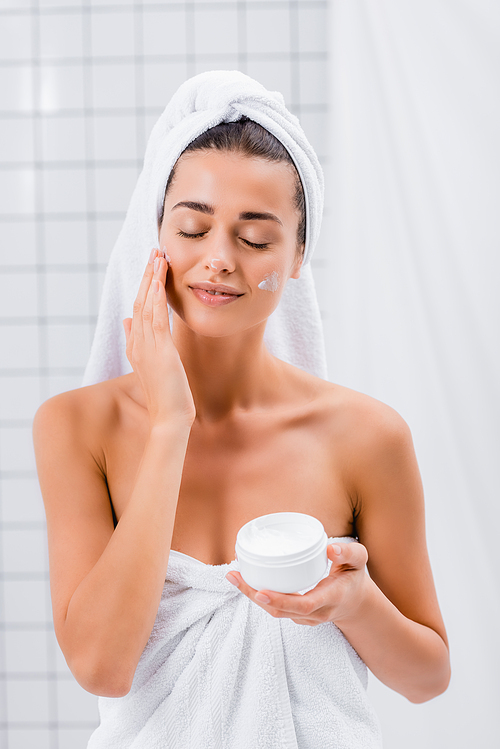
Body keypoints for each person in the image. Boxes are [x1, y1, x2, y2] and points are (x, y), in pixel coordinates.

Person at [32, 71, 450, 748]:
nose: (219, 260)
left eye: (256, 239)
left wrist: (355, 601)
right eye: (193, 228)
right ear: (155, 234)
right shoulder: (78, 427)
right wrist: (171, 423)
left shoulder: (365, 436)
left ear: (296, 256)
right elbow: (102, 667)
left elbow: (428, 676)